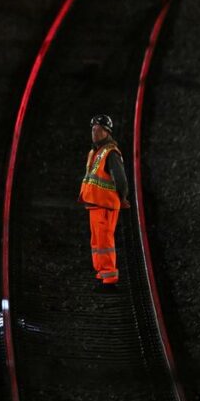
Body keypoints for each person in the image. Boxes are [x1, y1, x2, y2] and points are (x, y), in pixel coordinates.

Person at [77, 115, 130, 293]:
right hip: (95, 204)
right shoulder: (96, 152)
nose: (94, 131)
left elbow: (121, 180)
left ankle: (110, 280)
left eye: (98, 128)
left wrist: (122, 198)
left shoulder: (110, 152)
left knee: (105, 242)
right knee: (98, 243)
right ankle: (102, 276)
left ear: (107, 131)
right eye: (93, 128)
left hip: (105, 205)